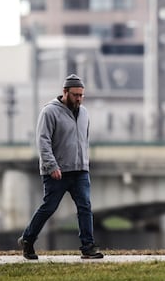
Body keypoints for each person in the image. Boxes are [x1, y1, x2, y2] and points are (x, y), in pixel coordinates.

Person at [18, 74, 104, 260]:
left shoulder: (84, 113)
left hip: (80, 170)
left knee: (85, 207)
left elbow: (83, 140)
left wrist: (85, 164)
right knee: (49, 207)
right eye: (75, 95)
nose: (79, 99)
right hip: (57, 171)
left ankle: (88, 247)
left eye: (81, 95)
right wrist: (51, 165)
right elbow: (43, 141)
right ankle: (28, 239)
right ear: (65, 92)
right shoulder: (50, 112)